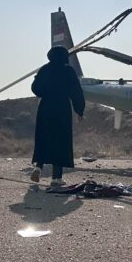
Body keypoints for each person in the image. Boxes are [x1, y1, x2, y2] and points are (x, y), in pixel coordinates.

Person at [30, 45, 85, 187]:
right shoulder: (68, 71)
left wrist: (44, 92)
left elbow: (35, 88)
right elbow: (76, 91)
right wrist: (79, 110)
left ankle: (38, 167)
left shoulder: (44, 69)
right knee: (60, 141)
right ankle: (56, 178)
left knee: (44, 137)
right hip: (62, 109)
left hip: (45, 107)